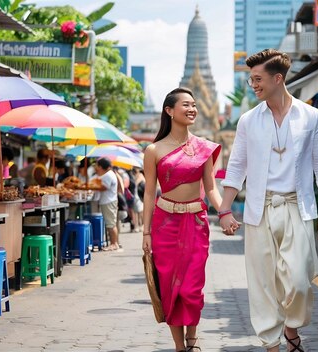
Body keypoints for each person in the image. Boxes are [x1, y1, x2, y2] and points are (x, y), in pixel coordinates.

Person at [218, 49, 318, 352]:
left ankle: (291, 330)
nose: (252, 85)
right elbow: (237, 166)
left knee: (299, 281)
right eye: (251, 79)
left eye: (257, 79)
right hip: (260, 209)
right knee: (263, 284)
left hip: (298, 207)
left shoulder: (311, 116)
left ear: (277, 78)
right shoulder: (248, 121)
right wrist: (225, 209)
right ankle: (272, 345)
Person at [141, 87, 222, 352]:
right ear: (169, 111)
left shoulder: (203, 148)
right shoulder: (153, 150)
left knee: (192, 288)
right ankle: (179, 345)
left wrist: (225, 212)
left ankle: (192, 338)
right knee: (169, 287)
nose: (192, 109)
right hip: (165, 225)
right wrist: (146, 233)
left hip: (196, 223)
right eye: (186, 105)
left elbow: (211, 189)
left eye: (194, 105)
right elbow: (150, 192)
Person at [94, 158, 121, 252]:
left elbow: (104, 187)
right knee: (111, 223)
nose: (96, 167)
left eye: (97, 165)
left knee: (111, 224)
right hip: (108, 201)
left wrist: (93, 186)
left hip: (108, 201)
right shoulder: (108, 174)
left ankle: (114, 244)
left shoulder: (108, 175)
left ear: (101, 166)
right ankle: (114, 243)